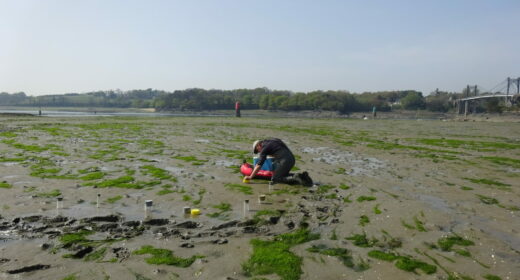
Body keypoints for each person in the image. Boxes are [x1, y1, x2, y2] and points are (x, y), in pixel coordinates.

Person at [243, 138, 313, 186]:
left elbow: (259, 165)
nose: (259, 152)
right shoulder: (271, 140)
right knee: (283, 174)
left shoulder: (264, 148)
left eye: (257, 150)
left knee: (276, 178)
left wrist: (250, 177)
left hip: (285, 161)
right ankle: (303, 176)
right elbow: (279, 148)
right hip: (292, 159)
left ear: (258, 145)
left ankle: (295, 177)